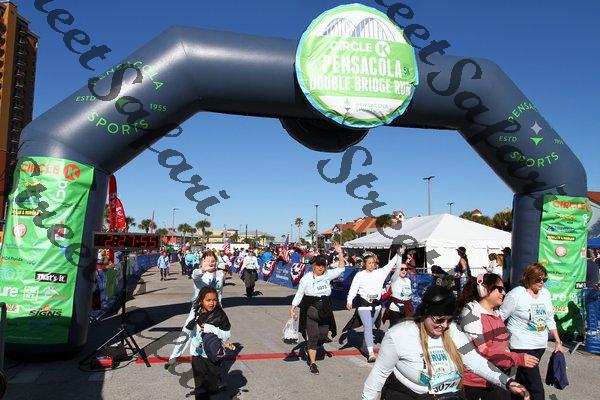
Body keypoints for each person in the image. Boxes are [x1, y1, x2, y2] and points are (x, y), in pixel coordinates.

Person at [362, 285, 531, 400]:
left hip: (448, 394)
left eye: (449, 320)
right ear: (425, 314)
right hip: (408, 394)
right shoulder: (399, 335)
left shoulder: (453, 331)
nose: (444, 325)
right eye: (439, 320)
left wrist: (507, 381)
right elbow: (378, 374)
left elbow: (475, 361)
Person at [457, 273, 539, 400]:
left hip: (496, 378)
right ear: (484, 289)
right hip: (476, 383)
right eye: (500, 289)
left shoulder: (495, 314)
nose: (504, 293)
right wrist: (517, 358)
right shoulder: (471, 314)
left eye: (504, 289)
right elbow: (483, 351)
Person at [499, 263, 563, 400]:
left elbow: (550, 319)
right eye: (538, 279)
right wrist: (500, 342)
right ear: (528, 278)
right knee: (536, 387)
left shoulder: (545, 293)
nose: (541, 283)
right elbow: (500, 317)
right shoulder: (516, 294)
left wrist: (558, 341)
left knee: (522, 379)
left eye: (544, 279)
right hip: (521, 344)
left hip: (539, 344)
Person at [166, 286, 231, 400]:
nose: (212, 303)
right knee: (200, 384)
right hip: (197, 354)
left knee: (212, 382)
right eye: (208, 300)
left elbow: (227, 334)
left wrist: (211, 329)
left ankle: (213, 388)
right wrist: (175, 355)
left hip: (212, 354)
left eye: (214, 300)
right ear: (201, 300)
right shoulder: (194, 314)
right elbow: (185, 335)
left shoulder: (220, 315)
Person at [289, 244, 346, 375]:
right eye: (318, 265)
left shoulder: (327, 275)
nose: (320, 268)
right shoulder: (306, 279)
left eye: (323, 266)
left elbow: (341, 268)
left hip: (325, 310)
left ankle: (312, 346)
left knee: (323, 336)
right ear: (313, 266)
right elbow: (299, 294)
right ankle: (313, 363)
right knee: (313, 336)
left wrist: (340, 253)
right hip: (311, 310)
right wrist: (292, 308)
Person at [342, 247, 403, 362]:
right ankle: (371, 353)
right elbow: (353, 289)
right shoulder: (360, 275)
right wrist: (349, 301)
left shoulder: (380, 273)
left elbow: (390, 264)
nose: (371, 265)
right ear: (365, 264)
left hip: (377, 306)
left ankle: (364, 346)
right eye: (369, 263)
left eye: (373, 263)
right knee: (368, 326)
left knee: (369, 327)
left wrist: (398, 253)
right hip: (363, 305)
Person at [383, 255, 413, 327]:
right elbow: (398, 266)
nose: (404, 270)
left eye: (406, 269)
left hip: (405, 307)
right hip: (395, 308)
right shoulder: (395, 278)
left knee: (403, 328)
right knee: (394, 328)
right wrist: (400, 254)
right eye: (401, 269)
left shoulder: (408, 280)